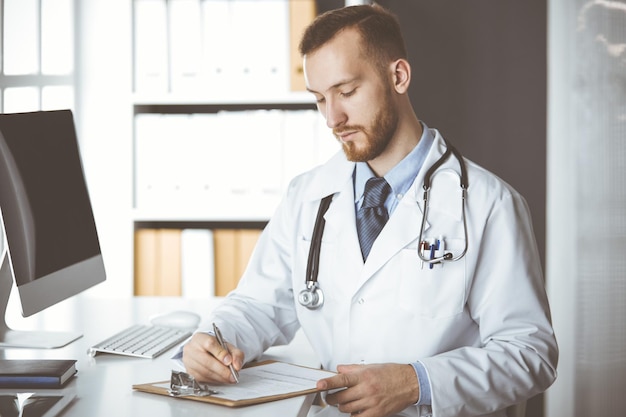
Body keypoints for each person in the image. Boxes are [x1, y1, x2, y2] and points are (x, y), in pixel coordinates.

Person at [181, 4, 558, 417]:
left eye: (346, 92)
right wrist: (214, 338)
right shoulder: (307, 195)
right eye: (319, 98)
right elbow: (258, 304)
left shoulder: (490, 205)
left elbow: (530, 354)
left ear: (398, 76)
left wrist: (416, 381)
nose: (332, 118)